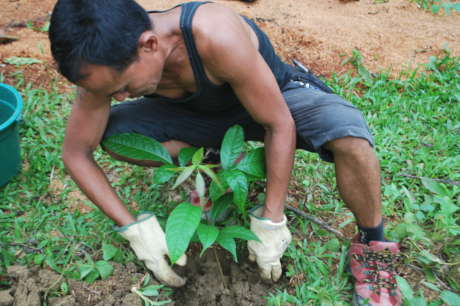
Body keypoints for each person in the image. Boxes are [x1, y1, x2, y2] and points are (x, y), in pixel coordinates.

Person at [49, 0, 401, 304]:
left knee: (349, 135)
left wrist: (271, 218)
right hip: (199, 119)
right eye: (112, 92)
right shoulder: (103, 63)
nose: (120, 97)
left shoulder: (213, 35)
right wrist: (132, 226)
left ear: (149, 44)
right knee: (117, 133)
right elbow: (77, 153)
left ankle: (373, 247)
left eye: (123, 87)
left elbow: (278, 123)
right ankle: (213, 165)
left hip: (273, 99)